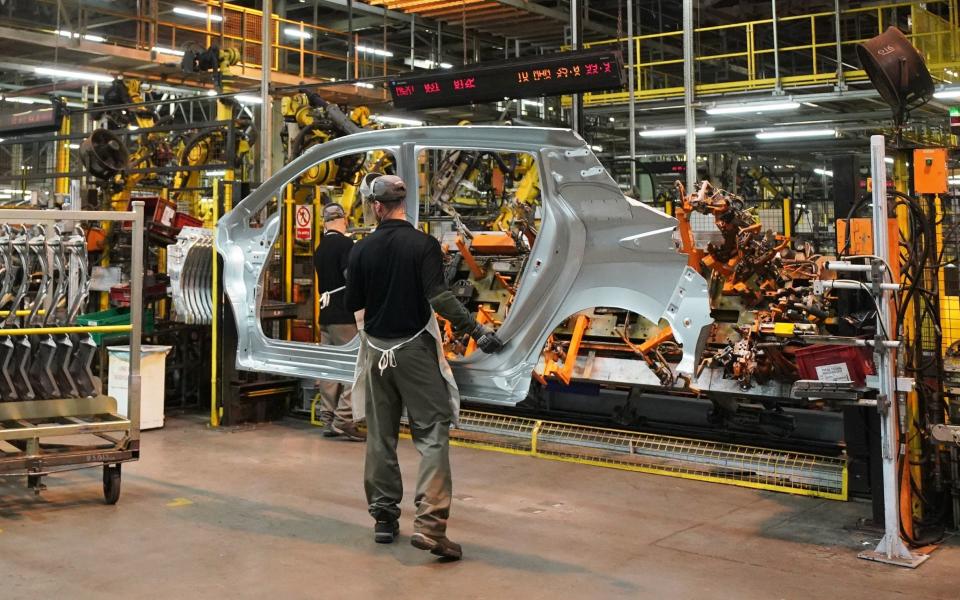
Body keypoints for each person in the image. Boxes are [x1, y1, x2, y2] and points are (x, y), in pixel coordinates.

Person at [345, 173, 504, 560]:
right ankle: (431, 527)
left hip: (376, 353)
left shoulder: (361, 250)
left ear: (377, 207)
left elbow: (357, 307)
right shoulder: (424, 245)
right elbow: (439, 298)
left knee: (380, 435)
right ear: (402, 205)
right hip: (414, 350)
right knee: (432, 434)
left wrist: (374, 340)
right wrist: (477, 331)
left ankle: (384, 519)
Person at [313, 202, 365, 442]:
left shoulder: (320, 248)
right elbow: (350, 277)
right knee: (354, 366)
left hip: (325, 315)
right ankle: (344, 419)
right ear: (342, 220)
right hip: (345, 315)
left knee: (329, 368)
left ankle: (327, 418)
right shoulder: (346, 244)